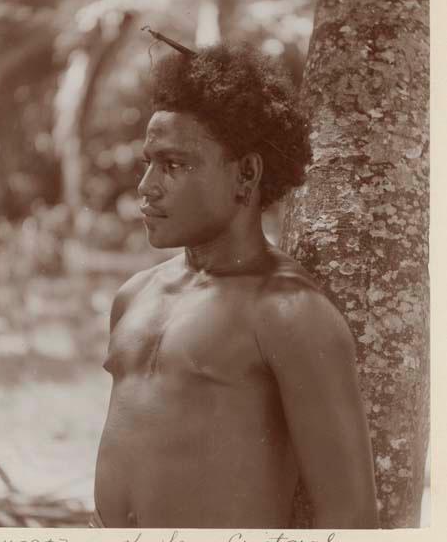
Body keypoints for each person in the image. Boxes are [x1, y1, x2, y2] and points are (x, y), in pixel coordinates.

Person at [92, 42, 379, 529]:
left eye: (173, 165)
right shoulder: (135, 297)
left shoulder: (288, 312)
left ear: (245, 174)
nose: (146, 186)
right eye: (148, 162)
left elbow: (350, 518)